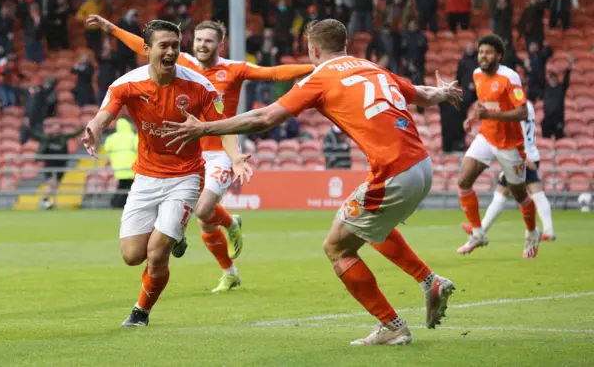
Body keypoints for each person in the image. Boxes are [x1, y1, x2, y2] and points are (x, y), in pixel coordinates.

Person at [162, 19, 461, 346]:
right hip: (423, 165)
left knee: (336, 247)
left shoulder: (321, 77)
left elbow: (265, 118)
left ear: (313, 49)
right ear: (344, 43)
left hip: (393, 171)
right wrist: (445, 92)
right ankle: (428, 281)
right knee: (365, 225)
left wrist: (204, 128)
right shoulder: (370, 66)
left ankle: (392, 326)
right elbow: (422, 95)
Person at [86, 14, 314, 293]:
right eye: (199, 40)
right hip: (189, 148)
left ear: (220, 45)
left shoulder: (234, 69)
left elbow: (276, 73)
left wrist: (317, 66)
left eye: (209, 41)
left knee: (203, 210)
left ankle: (221, 226)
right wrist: (111, 28)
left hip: (219, 150)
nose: (203, 45)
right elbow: (142, 45)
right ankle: (228, 270)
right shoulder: (180, 63)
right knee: (196, 219)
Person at [80, 20, 252, 327]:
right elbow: (106, 112)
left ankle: (140, 312)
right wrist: (94, 128)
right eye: (164, 45)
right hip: (146, 177)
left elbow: (224, 126)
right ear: (147, 50)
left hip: (186, 176)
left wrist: (236, 158)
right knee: (133, 255)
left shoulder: (200, 86)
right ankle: (173, 235)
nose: (171, 51)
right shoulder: (127, 84)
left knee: (157, 254)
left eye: (176, 45)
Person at [457, 34, 539, 258]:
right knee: (463, 180)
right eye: (481, 52)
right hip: (486, 136)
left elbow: (522, 111)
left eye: (488, 52)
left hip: (510, 144)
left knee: (519, 194)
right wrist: (473, 118)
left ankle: (532, 232)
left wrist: (492, 114)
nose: (483, 56)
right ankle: (478, 232)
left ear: (498, 56)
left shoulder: (510, 77)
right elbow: (483, 104)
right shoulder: (476, 75)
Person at [461, 100, 556, 241]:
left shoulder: (518, 108)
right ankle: (549, 231)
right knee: (533, 191)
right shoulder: (527, 105)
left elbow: (519, 131)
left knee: (504, 194)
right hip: (528, 154)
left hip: (522, 155)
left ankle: (481, 229)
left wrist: (524, 156)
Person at [28, 122, 84, 210]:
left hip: (61, 165)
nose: (56, 130)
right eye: (55, 128)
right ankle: (43, 201)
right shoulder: (46, 138)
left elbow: (74, 134)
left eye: (58, 128)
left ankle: (48, 202)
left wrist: (83, 127)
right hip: (49, 165)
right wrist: (27, 127)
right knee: (52, 184)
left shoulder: (63, 138)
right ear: (51, 129)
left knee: (54, 185)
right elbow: (34, 135)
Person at [104, 117, 138, 208]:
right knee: (127, 188)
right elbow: (139, 148)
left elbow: (107, 149)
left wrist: (113, 159)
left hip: (118, 168)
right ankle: (116, 204)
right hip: (131, 168)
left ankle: (116, 204)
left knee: (123, 187)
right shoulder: (132, 137)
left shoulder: (111, 138)